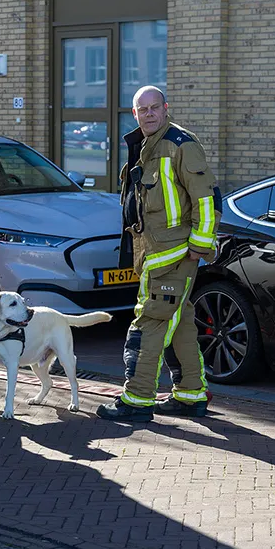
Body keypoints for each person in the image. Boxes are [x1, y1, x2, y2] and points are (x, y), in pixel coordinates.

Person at [97, 85, 220, 423]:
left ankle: (137, 399)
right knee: (177, 324)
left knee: (149, 322)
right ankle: (190, 394)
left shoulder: (181, 145)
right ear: (135, 114)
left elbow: (207, 200)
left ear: (166, 108)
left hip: (175, 253)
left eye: (154, 107)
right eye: (142, 109)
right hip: (155, 254)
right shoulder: (145, 145)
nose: (149, 114)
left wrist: (199, 245)